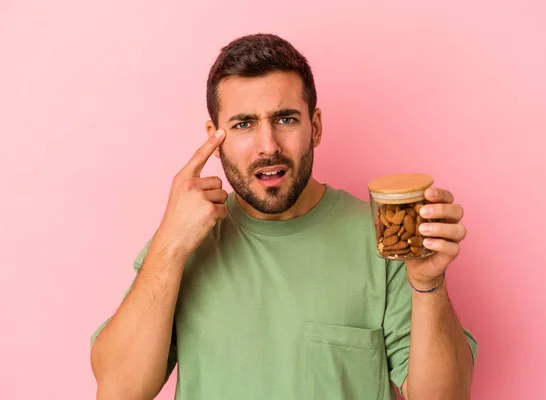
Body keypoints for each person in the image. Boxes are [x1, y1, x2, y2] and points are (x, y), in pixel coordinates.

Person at [89, 33, 478, 400]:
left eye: (286, 119)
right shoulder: (183, 239)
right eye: (244, 124)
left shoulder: (379, 239)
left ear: (316, 127)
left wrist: (429, 283)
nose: (267, 146)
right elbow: (120, 390)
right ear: (214, 136)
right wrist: (171, 246)